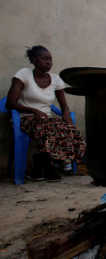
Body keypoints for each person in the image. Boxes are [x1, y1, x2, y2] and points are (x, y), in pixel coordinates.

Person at [6, 46, 86, 182]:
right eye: (45, 59)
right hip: (25, 119)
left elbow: (63, 105)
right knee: (44, 127)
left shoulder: (55, 79)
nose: (49, 62)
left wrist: (66, 114)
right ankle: (49, 167)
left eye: (50, 59)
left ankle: (41, 165)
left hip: (46, 119)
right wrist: (33, 110)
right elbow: (10, 103)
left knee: (70, 129)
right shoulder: (23, 74)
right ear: (34, 59)